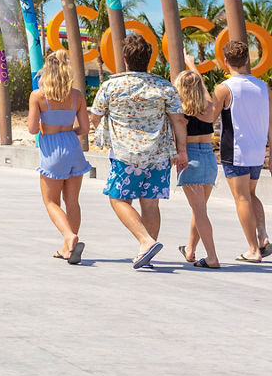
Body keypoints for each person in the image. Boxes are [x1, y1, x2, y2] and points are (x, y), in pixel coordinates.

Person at [90, 33, 188, 269]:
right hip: (159, 155)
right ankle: (146, 252)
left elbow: (95, 117)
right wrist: (182, 151)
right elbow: (178, 120)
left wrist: (112, 134)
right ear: (149, 60)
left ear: (125, 59)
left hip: (126, 156)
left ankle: (145, 241)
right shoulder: (164, 87)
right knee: (151, 204)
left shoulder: (110, 86)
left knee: (118, 198)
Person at [204, 40, 272, 262]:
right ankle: (262, 236)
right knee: (251, 195)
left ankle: (253, 249)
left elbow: (211, 117)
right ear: (247, 61)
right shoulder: (263, 87)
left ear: (225, 62)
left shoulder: (225, 88)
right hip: (257, 150)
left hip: (236, 150)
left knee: (241, 198)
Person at [26, 51, 92, 264]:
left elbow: (32, 128)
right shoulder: (76, 96)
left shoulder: (38, 96)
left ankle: (69, 236)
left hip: (52, 149)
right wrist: (69, 133)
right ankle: (67, 249)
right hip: (73, 146)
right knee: (72, 201)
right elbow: (85, 127)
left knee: (51, 201)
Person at [173, 67, 221, 268]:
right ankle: (190, 249)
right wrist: (193, 68)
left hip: (190, 158)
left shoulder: (179, 112)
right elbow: (204, 91)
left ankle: (212, 257)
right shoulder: (209, 107)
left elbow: (177, 139)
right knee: (199, 209)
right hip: (209, 159)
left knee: (199, 211)